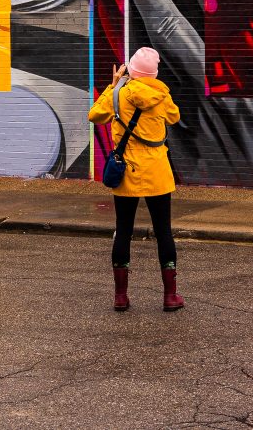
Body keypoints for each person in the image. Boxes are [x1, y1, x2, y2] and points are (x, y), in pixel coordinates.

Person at [87, 47, 183, 312]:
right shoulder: (161, 93)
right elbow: (174, 117)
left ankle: (120, 296)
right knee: (163, 231)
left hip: (126, 171)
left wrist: (114, 84)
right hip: (157, 171)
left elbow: (95, 115)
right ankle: (170, 296)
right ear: (153, 72)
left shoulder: (119, 93)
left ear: (130, 70)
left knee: (124, 230)